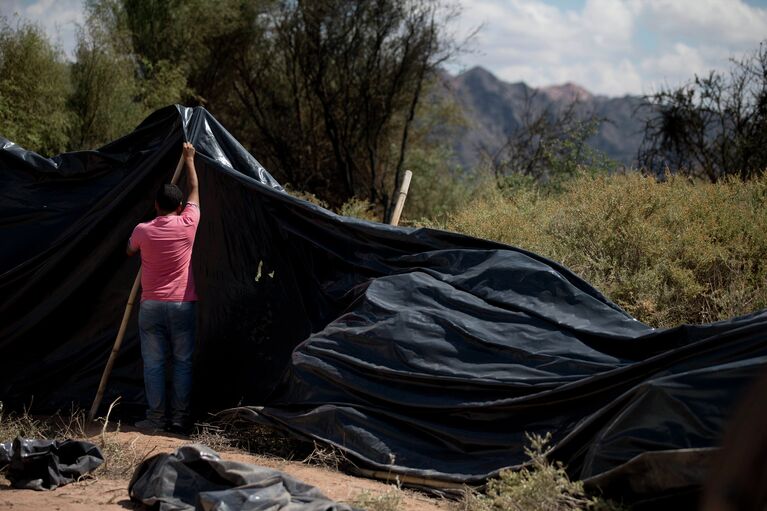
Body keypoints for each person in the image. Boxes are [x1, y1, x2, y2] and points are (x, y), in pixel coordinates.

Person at [127, 142, 200, 434]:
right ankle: (179, 420)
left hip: (151, 306)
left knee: (154, 364)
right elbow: (194, 189)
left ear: (156, 205)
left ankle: (155, 420)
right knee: (183, 362)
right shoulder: (188, 223)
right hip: (183, 304)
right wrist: (190, 159)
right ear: (180, 207)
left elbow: (129, 251)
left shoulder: (142, 231)